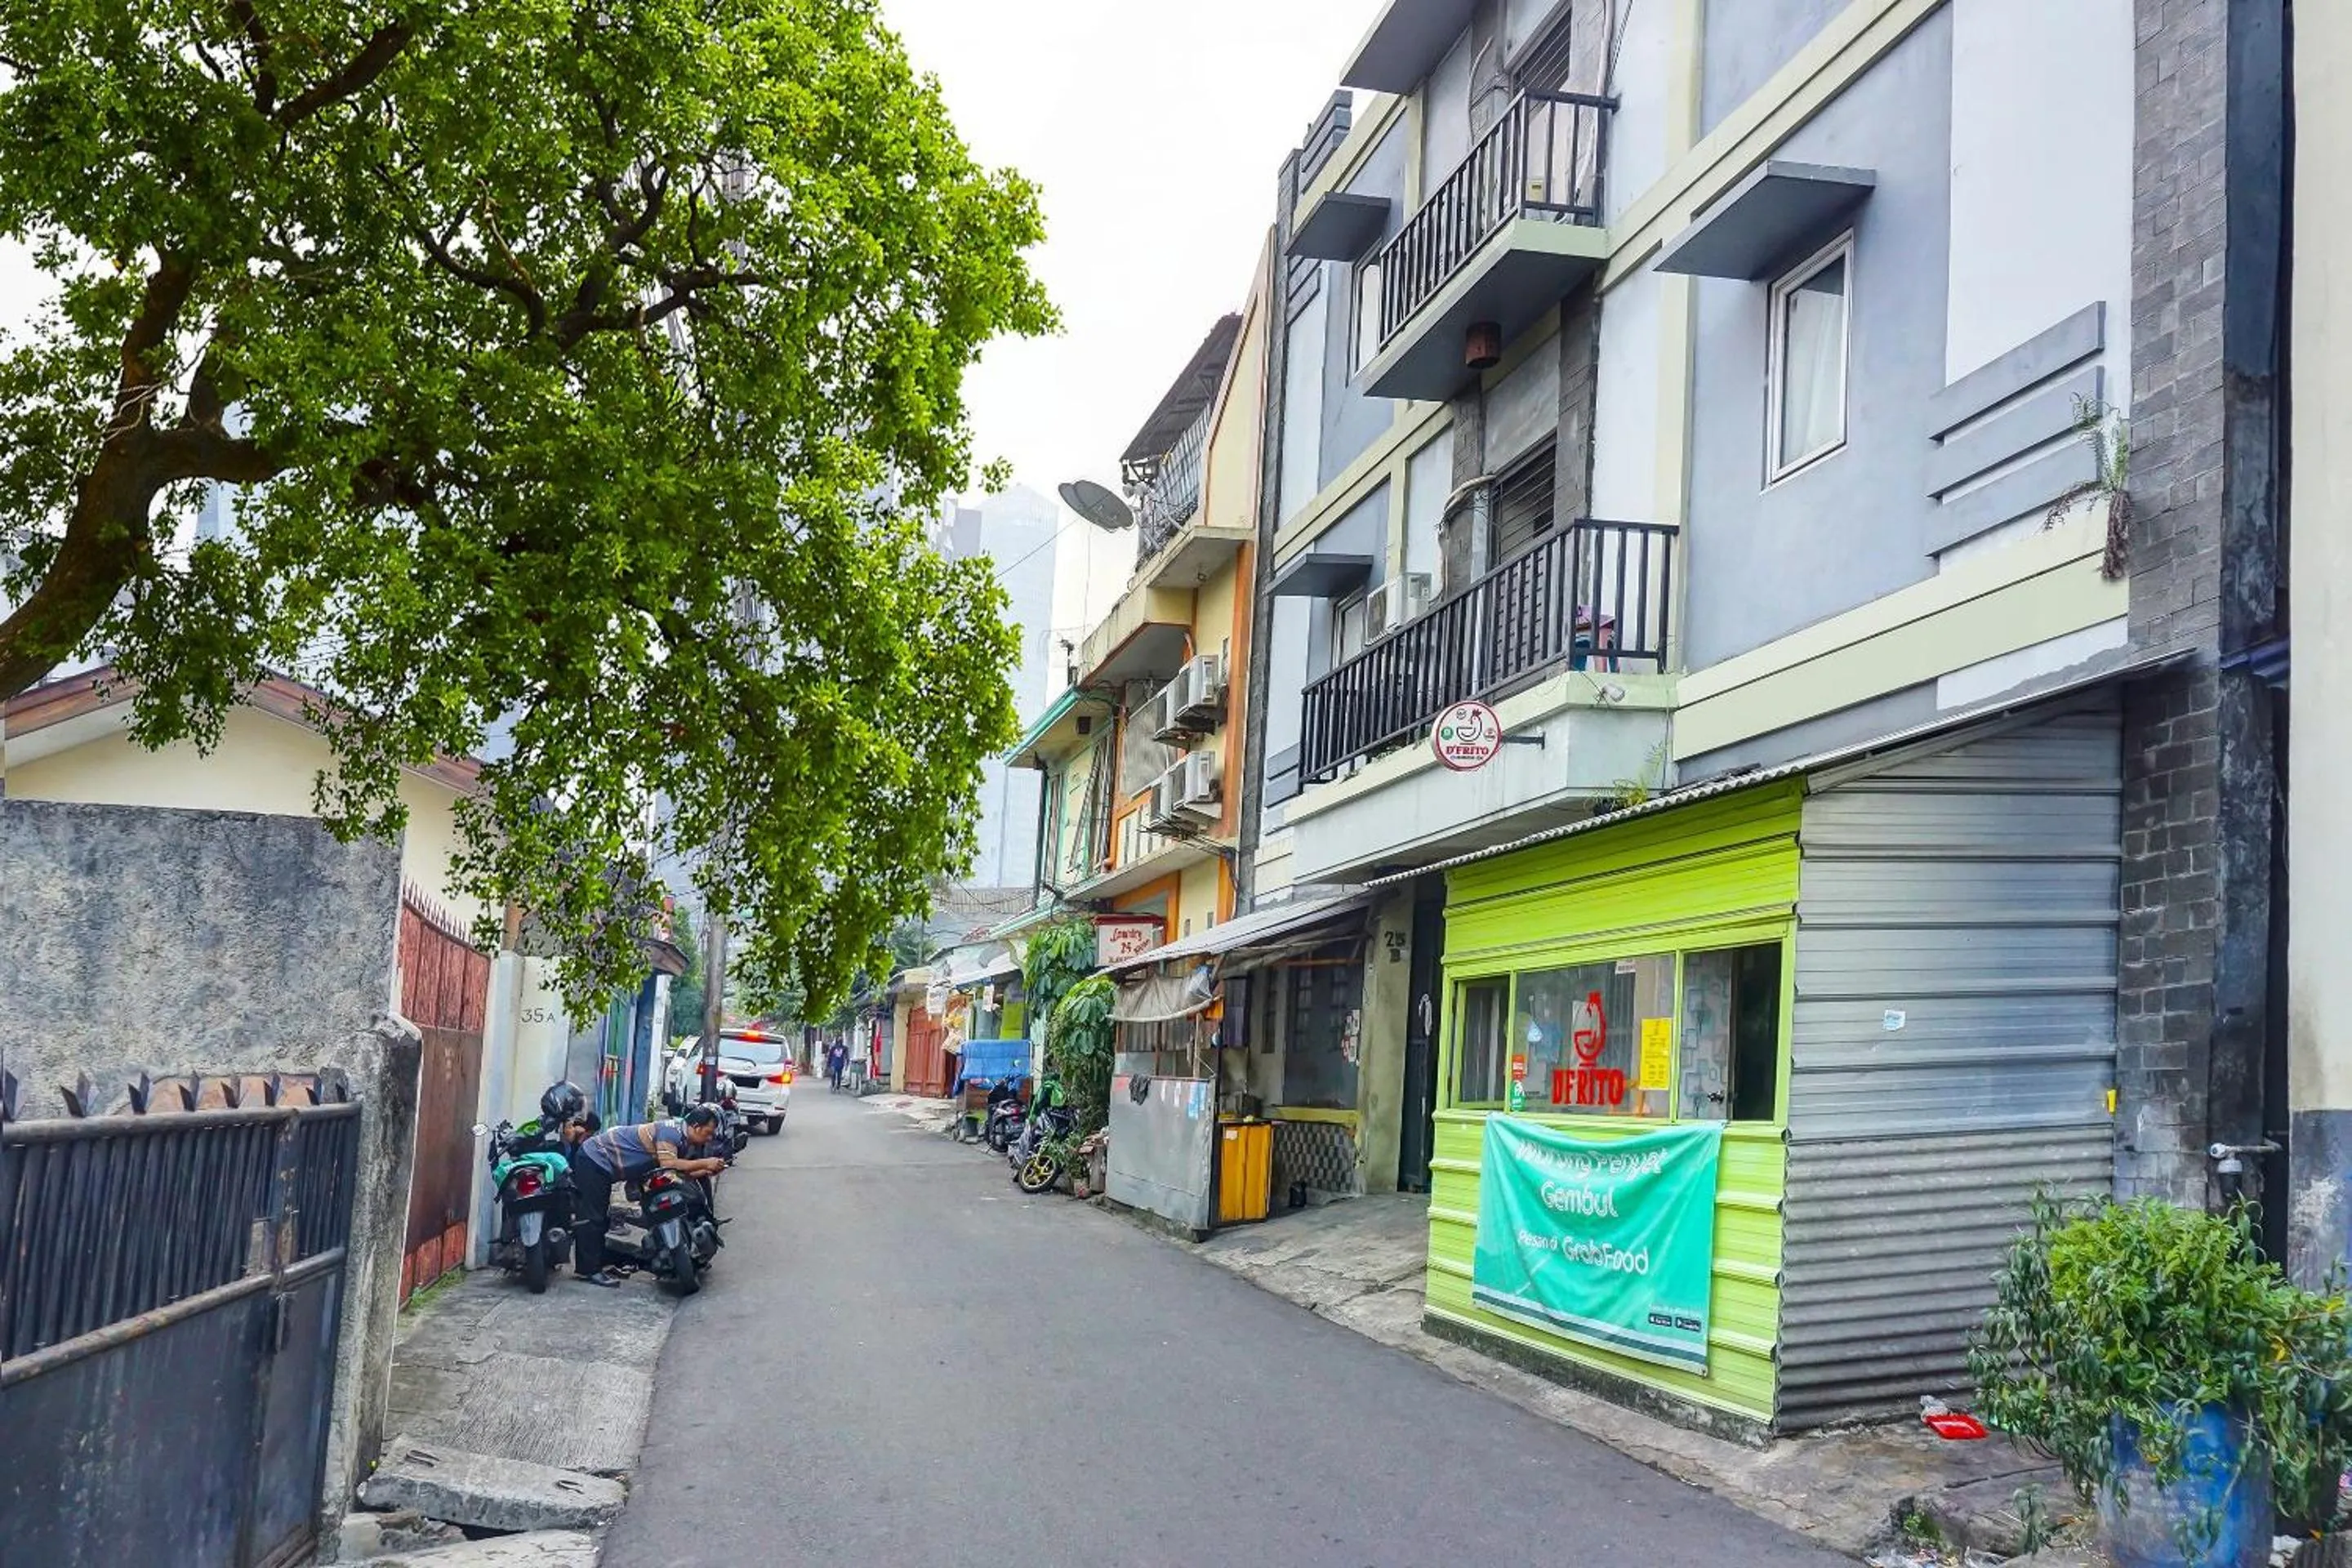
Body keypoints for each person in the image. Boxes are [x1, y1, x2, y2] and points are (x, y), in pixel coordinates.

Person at [570, 1105, 727, 1286]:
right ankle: (589, 1271)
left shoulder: (682, 1140)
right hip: (594, 1159)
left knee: (601, 1219)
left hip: (605, 1166)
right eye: (708, 1133)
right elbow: (670, 1163)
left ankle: (598, 1262)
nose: (708, 1139)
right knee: (593, 1218)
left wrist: (706, 1170)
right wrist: (706, 1162)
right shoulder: (671, 1132)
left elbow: (676, 1173)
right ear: (697, 1127)